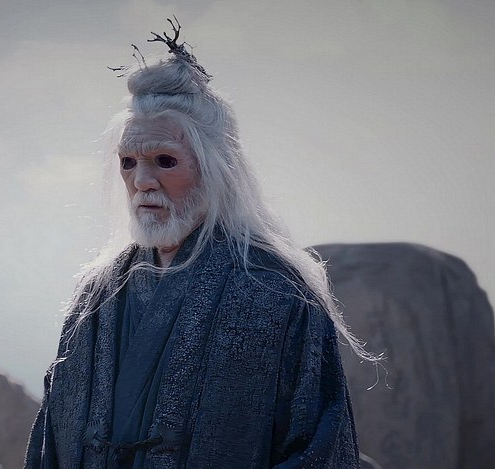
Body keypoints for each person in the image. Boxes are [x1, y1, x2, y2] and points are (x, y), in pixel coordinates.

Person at [25, 19, 370, 469]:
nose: (142, 181)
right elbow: (50, 441)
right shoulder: (97, 295)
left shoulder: (276, 294)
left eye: (164, 160)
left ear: (215, 168)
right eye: (128, 162)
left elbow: (319, 451)